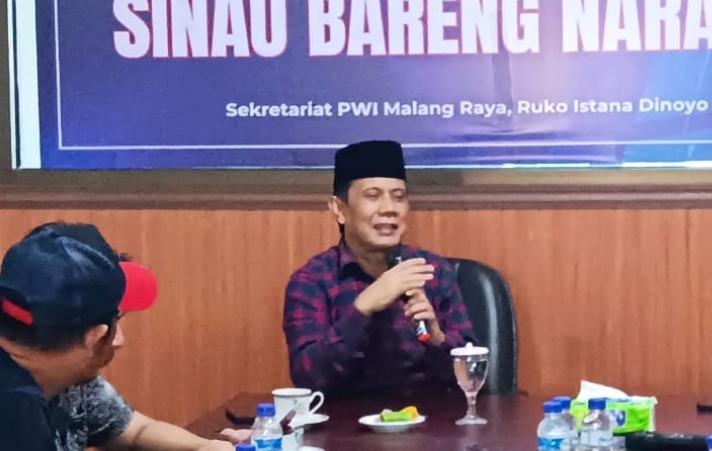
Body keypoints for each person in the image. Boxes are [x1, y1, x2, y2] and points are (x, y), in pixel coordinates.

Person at [0, 222, 248, 451]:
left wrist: (204, 447)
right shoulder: (15, 414)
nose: (119, 340)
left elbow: (134, 430)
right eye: (116, 321)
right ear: (94, 336)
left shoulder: (69, 380)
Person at [282, 140, 476, 397]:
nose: (389, 209)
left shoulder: (432, 272)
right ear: (339, 209)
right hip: (342, 421)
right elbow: (308, 377)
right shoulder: (312, 281)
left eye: (399, 197)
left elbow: (473, 374)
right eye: (373, 196)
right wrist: (363, 307)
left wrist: (436, 338)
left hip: (430, 418)